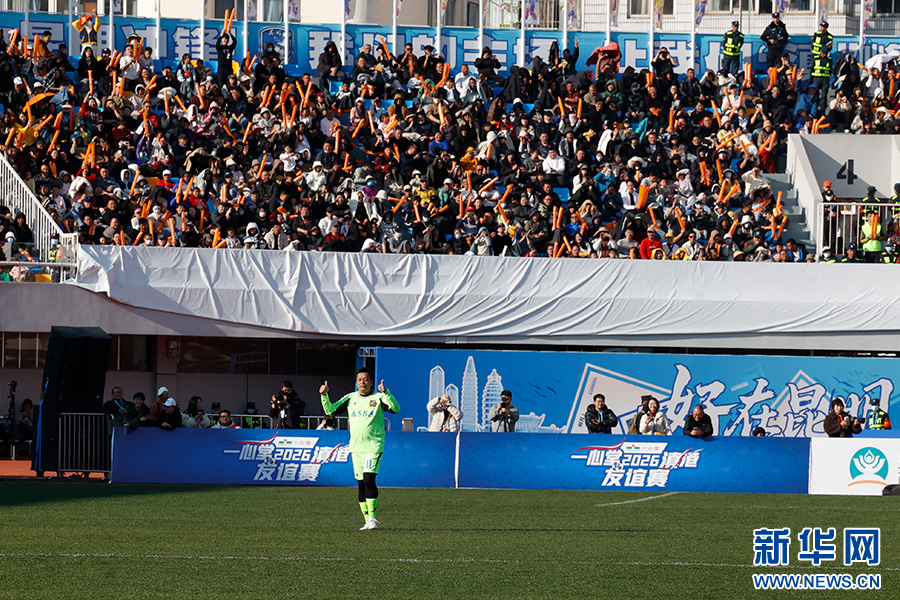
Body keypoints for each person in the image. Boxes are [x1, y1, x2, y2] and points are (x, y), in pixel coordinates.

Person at [320, 367, 401, 530]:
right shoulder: (351, 398)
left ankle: (372, 518)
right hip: (356, 448)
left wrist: (386, 393)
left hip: (374, 446)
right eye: (359, 380)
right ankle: (366, 521)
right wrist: (324, 395)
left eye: (365, 379)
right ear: (356, 382)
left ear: (371, 382)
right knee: (361, 484)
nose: (362, 382)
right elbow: (330, 410)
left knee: (369, 479)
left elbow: (396, 409)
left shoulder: (378, 398)